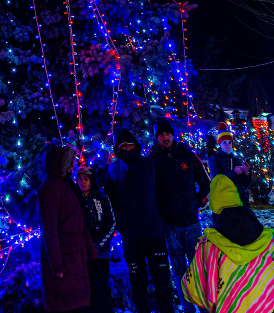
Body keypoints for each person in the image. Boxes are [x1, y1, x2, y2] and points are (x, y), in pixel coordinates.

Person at [182, 175, 274, 312]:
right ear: (236, 199)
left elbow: (193, 288)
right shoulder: (268, 238)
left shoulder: (209, 247)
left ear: (214, 206)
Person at [103, 128, 174, 313]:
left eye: (130, 145)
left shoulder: (150, 164)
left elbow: (163, 193)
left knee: (162, 280)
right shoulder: (113, 169)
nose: (127, 149)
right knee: (138, 283)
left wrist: (163, 219)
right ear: (118, 149)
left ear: (136, 145)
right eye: (123, 146)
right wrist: (120, 225)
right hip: (131, 236)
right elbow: (108, 200)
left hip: (154, 233)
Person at [150, 119, 210, 313]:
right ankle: (187, 309)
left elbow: (205, 182)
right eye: (161, 134)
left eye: (167, 133)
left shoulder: (188, 155)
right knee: (178, 271)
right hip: (170, 225)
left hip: (191, 222)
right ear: (157, 137)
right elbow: (150, 192)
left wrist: (197, 203)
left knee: (197, 268)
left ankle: (202, 307)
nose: (165, 137)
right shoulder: (152, 160)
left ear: (172, 134)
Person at [38, 145, 98, 312]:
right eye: (68, 163)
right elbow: (49, 230)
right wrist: (57, 265)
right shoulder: (50, 188)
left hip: (74, 255)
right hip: (64, 259)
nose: (72, 167)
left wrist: (91, 250)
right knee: (65, 305)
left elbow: (78, 221)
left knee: (77, 304)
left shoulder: (66, 185)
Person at [76, 164, 115, 313]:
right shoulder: (75, 199)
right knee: (87, 292)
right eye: (79, 179)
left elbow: (111, 223)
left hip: (100, 253)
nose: (82, 182)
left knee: (102, 290)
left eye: (86, 179)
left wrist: (97, 245)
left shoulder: (102, 198)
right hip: (82, 254)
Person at [208, 122, 251, 208]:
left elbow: (245, 184)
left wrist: (246, 173)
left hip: (241, 200)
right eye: (224, 143)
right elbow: (217, 182)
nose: (227, 145)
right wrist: (234, 173)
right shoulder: (215, 158)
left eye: (229, 142)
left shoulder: (236, 157)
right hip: (226, 200)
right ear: (220, 144)